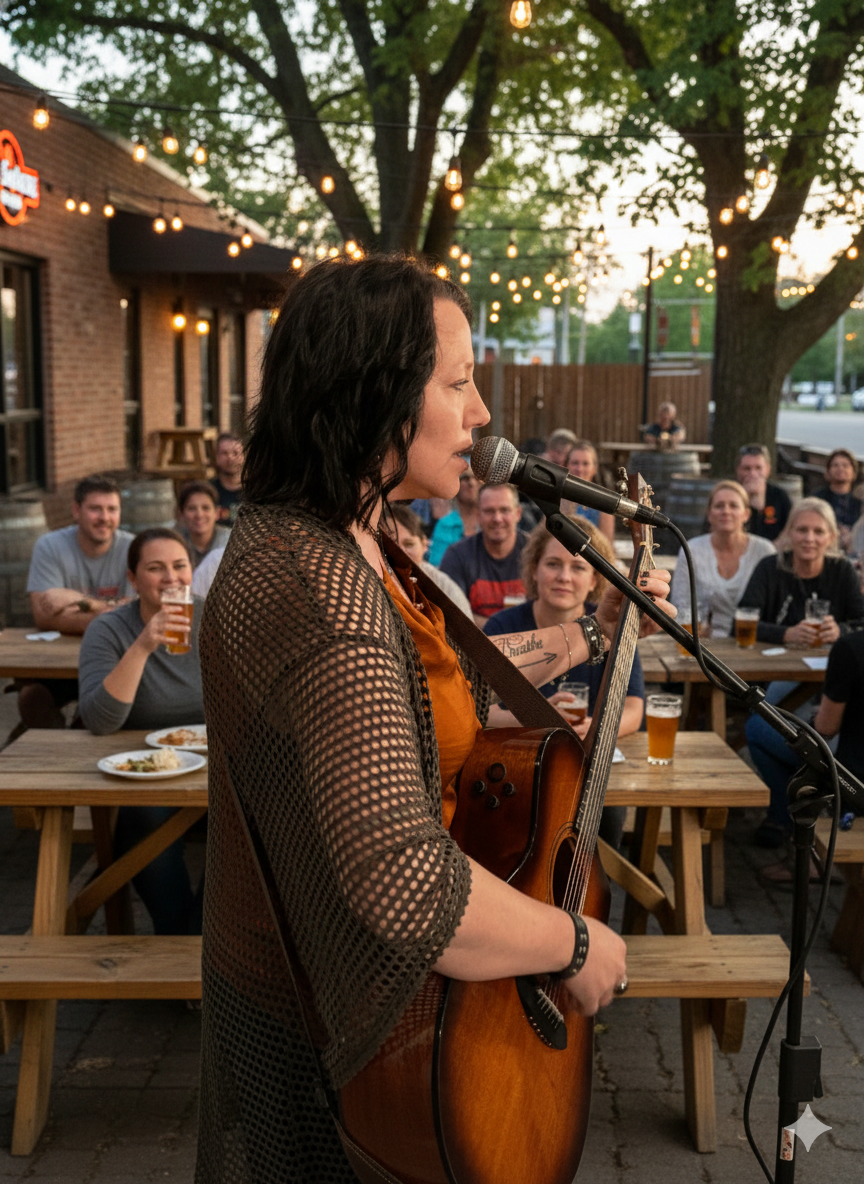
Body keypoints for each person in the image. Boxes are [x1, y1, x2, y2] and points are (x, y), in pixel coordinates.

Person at [195, 255, 673, 1182]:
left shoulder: (345, 534)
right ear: (375, 392)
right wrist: (575, 942)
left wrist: (585, 635)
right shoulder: (324, 596)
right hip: (331, 1036)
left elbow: (439, 692)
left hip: (352, 1008)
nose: (482, 414)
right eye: (458, 383)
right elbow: (408, 889)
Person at [78, 527, 204, 934]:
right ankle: (179, 937)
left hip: (212, 767)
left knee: (263, 822)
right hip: (145, 773)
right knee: (144, 819)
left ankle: (200, 940)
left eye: (179, 566)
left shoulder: (216, 616)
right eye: (155, 568)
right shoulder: (109, 630)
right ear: (132, 578)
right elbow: (100, 721)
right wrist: (144, 646)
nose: (171, 578)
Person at [742, 498, 864, 846]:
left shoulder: (840, 572)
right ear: (789, 533)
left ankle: (786, 817)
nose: (809, 538)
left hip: (831, 684)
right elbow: (745, 615)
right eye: (801, 529)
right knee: (768, 719)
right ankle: (793, 812)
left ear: (830, 538)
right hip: (784, 676)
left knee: (762, 730)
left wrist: (839, 630)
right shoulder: (771, 567)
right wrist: (786, 633)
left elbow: (859, 620)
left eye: (818, 531)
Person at [483, 516, 645, 739]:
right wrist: (535, 718)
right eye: (553, 564)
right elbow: (478, 708)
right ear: (534, 570)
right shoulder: (502, 625)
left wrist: (597, 728)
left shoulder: (612, 625)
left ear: (594, 580)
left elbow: (634, 709)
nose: (564, 577)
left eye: (578, 567)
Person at [19, 474, 134, 730]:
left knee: (102, 708)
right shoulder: (50, 546)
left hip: (112, 658)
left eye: (112, 509)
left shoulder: (133, 548)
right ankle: (54, 760)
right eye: (95, 509)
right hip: (57, 662)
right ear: (76, 510)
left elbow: (135, 613)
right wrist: (113, 610)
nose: (104, 517)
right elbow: (43, 615)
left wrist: (79, 602)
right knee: (31, 697)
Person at [743, 629, 864, 867]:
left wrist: (819, 716)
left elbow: (826, 729)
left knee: (757, 727)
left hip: (853, 787)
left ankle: (793, 826)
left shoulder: (852, 647)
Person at [669, 480, 775, 637]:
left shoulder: (764, 551)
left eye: (733, 506)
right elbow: (679, 606)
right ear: (709, 514)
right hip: (703, 643)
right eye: (719, 506)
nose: (726, 511)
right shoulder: (692, 549)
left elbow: (773, 608)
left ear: (746, 514)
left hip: (753, 641)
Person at [439, 481, 529, 625]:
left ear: (518, 514)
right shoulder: (457, 555)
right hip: (477, 644)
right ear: (478, 515)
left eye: (505, 510)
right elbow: (452, 615)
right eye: (489, 511)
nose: (497, 519)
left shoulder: (533, 552)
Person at [381, 503, 473, 617]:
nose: (400, 551)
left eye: (409, 544)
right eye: (390, 544)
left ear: (424, 545)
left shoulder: (443, 586)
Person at [562, 440, 615, 544]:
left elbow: (607, 546)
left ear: (594, 469)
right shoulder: (555, 496)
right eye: (575, 463)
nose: (579, 469)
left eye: (585, 464)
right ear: (566, 466)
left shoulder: (604, 502)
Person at [735, 443, 791, 542]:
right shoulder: (729, 494)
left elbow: (790, 529)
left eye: (758, 468)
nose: (753, 474)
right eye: (747, 469)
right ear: (738, 470)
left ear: (767, 470)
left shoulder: (779, 495)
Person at [427, 467, 481, 565]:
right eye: (465, 478)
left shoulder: (491, 519)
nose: (472, 483)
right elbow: (437, 563)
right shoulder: (445, 524)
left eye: (476, 479)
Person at [812, 448, 863, 551]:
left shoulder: (859, 500)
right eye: (835, 465)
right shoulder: (817, 498)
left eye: (845, 466)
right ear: (828, 472)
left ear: (853, 472)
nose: (840, 469)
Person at [176, 480, 232, 568]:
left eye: (206, 508)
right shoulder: (174, 543)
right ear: (181, 514)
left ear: (217, 513)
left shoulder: (231, 541)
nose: (199, 515)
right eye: (192, 508)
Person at [211, 432, 244, 525]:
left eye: (235, 453)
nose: (230, 458)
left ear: (243, 457)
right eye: (224, 453)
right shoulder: (208, 491)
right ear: (217, 457)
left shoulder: (255, 492)